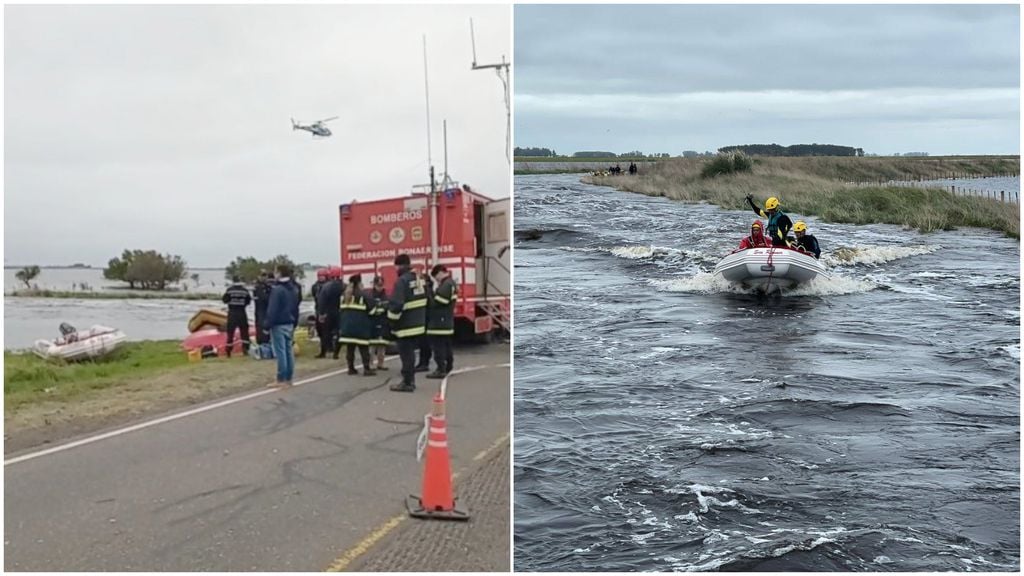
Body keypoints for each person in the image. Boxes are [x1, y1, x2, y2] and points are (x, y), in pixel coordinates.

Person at [387, 254, 428, 392]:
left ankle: (408, 382)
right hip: (419, 323)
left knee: (406, 355)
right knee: (411, 354)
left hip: (405, 325)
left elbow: (397, 304)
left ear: (399, 266)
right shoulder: (419, 279)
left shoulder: (401, 281)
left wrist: (391, 321)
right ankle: (409, 380)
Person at [264, 264, 301, 388]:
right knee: (288, 351)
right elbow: (296, 307)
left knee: (280, 352)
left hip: (279, 323)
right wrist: (295, 321)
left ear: (279, 273)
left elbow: (272, 309)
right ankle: (289, 378)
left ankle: (281, 379)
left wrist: (267, 324)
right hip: (290, 322)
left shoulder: (277, 289)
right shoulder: (294, 289)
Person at [338, 274, 376, 376]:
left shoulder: (344, 296)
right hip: (360, 327)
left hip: (347, 328)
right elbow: (372, 310)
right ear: (359, 283)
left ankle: (351, 368)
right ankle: (366, 369)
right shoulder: (363, 295)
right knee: (363, 349)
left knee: (350, 348)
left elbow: (340, 311)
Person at [426, 265, 457, 379]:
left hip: (440, 323)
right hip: (445, 321)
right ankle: (448, 366)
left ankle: (441, 369)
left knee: (439, 347)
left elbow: (437, 303)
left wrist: (429, 292)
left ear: (440, 272)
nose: (436, 280)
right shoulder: (449, 283)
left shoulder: (447, 284)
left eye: (436, 277)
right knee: (446, 345)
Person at [316, 268, 344, 358]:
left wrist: (321, 313)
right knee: (339, 333)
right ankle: (336, 353)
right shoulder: (344, 286)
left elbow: (321, 301)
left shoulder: (326, 287)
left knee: (325, 332)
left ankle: (323, 352)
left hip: (328, 312)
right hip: (340, 312)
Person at [222, 275, 252, 358]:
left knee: (230, 332)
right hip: (242, 312)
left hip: (232, 312)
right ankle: (245, 349)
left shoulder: (229, 290)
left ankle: (228, 351)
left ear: (233, 281)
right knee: (244, 331)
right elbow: (248, 301)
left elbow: (224, 300)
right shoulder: (245, 291)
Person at [368, 275, 391, 371]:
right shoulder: (370, 296)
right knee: (372, 345)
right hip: (373, 322)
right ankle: (370, 363)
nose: (380, 287)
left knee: (382, 344)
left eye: (381, 285)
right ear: (374, 285)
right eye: (378, 285)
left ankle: (381, 363)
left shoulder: (386, 296)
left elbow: (388, 307)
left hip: (383, 322)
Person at [414, 268, 434, 373]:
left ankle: (424, 363)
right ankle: (423, 363)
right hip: (425, 319)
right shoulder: (428, 290)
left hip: (425, 320)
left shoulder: (426, 291)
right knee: (423, 343)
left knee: (424, 343)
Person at [253, 271, 272, 345]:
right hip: (260, 309)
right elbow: (263, 297)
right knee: (260, 325)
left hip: (266, 309)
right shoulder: (258, 287)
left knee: (264, 325)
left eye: (265, 276)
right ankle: (261, 341)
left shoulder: (268, 286)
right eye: (262, 276)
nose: (264, 277)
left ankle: (266, 341)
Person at [311, 269, 328, 352]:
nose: (321, 278)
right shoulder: (315, 286)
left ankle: (328, 346)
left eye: (322, 276)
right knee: (320, 329)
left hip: (327, 310)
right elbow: (314, 296)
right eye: (319, 276)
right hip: (318, 308)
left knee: (327, 330)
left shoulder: (328, 285)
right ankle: (323, 346)